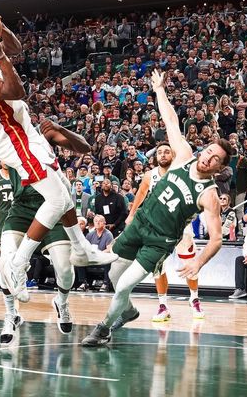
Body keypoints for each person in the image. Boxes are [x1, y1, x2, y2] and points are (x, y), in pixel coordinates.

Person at [0, 15, 115, 301]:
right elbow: (17, 91)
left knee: (65, 190)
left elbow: (15, 50)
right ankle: (17, 265)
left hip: (22, 127)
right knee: (56, 200)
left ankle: (80, 249)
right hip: (11, 136)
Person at [81, 70, 233, 347]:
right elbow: (171, 121)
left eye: (215, 159)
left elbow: (217, 239)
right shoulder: (184, 157)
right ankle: (128, 311)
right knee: (114, 274)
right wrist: (159, 89)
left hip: (159, 241)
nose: (208, 158)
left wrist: (198, 262)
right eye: (209, 151)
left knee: (126, 284)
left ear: (219, 168)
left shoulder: (209, 194)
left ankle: (103, 328)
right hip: (139, 224)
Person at [0, 119, 89, 345]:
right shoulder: (2, 145)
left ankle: (61, 302)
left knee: (64, 268)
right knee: (6, 261)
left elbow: (84, 148)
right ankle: (11, 314)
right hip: (21, 209)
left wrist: (61, 128)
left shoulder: (44, 136)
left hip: (51, 204)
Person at [126, 142, 205, 321]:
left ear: (173, 155)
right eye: (159, 152)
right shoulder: (149, 175)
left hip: (180, 226)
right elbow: (140, 194)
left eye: (166, 152)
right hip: (157, 228)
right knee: (157, 268)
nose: (162, 155)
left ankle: (194, 299)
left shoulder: (183, 173)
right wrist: (131, 214)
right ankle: (163, 305)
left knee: (189, 263)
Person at [75, 215, 114, 292]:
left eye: (100, 221)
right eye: (96, 221)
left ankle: (106, 283)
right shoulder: (90, 234)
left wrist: (99, 254)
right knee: (79, 259)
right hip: (92, 257)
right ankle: (83, 283)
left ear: (104, 223)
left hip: (102, 257)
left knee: (108, 261)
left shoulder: (108, 234)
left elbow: (109, 249)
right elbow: (85, 247)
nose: (98, 223)